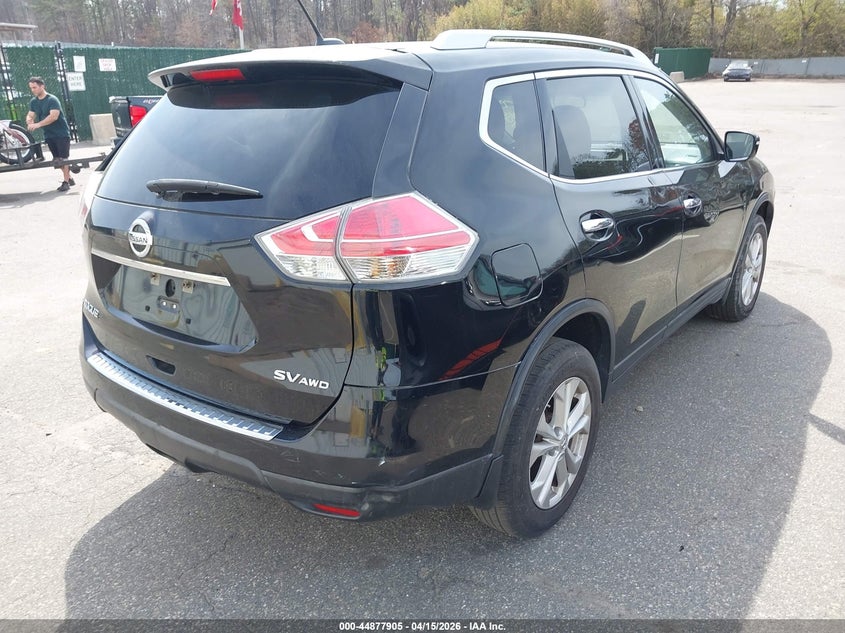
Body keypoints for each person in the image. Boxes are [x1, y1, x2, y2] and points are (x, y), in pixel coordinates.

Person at [26, 76, 74, 192]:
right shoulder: (34, 102)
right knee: (57, 160)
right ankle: (70, 177)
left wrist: (38, 124)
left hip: (61, 133)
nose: (33, 90)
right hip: (49, 134)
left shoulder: (52, 100)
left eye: (34, 87)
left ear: (42, 86)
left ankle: (66, 182)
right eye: (31, 88)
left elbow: (54, 116)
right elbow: (30, 115)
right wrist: (29, 121)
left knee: (63, 158)